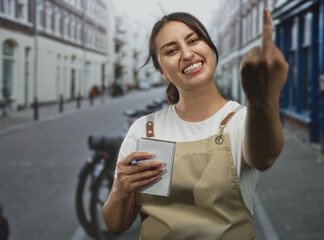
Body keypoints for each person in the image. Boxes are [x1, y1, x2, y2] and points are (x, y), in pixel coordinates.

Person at [103, 9, 288, 239]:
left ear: (210, 47)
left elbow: (265, 155)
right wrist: (120, 191)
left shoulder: (243, 120)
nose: (187, 53)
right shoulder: (144, 130)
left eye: (193, 40)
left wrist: (261, 100)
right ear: (163, 72)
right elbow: (115, 224)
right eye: (171, 50)